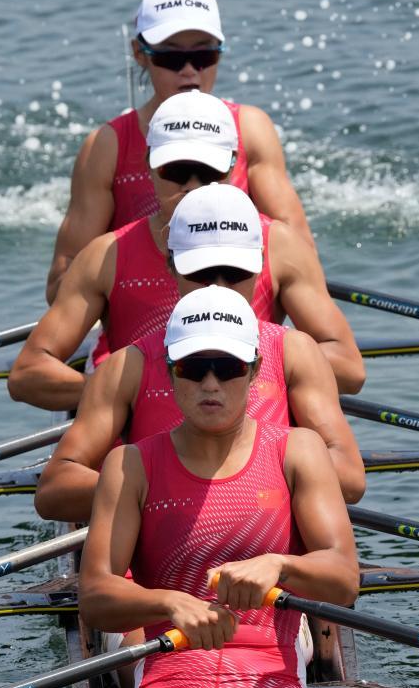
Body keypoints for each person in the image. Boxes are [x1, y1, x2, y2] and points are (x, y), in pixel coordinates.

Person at [78, 286, 359, 688]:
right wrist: (167, 603)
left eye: (227, 367)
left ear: (255, 372)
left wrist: (280, 566)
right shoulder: (129, 466)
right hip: (170, 685)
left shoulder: (298, 451)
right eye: (194, 367)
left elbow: (343, 579)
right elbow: (96, 596)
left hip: (271, 684)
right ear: (170, 374)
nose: (211, 383)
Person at [8, 101, 364, 412]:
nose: (192, 186)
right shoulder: (105, 255)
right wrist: (125, 389)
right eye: (177, 171)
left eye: (208, 173)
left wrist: (236, 371)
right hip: (146, 449)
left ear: (232, 167)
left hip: (252, 437)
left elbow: (349, 369)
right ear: (149, 164)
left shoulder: (281, 245)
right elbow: (28, 374)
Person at [35, 210, 366, 521]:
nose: (218, 287)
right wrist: (142, 486)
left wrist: (234, 484)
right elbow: (54, 491)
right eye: (191, 370)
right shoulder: (128, 365)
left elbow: (350, 480)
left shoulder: (295, 351)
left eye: (234, 273)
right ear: (171, 265)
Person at [46, 0, 313, 303]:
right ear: (139, 53)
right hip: (140, 320)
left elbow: (302, 256)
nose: (189, 70)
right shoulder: (107, 146)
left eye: (204, 55)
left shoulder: (251, 129)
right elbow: (60, 283)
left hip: (239, 322)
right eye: (171, 58)